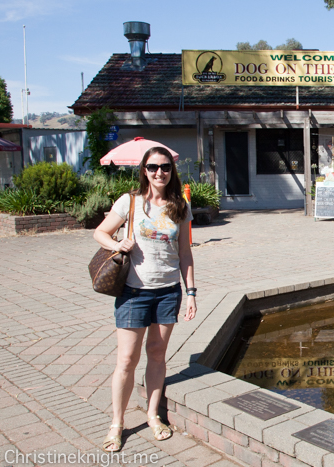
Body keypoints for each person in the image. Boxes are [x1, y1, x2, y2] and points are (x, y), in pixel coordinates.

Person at [93, 147, 196, 452]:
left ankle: (152, 415)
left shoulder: (180, 206)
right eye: (152, 167)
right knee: (126, 359)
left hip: (167, 292)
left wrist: (190, 293)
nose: (159, 173)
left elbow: (186, 254)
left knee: (156, 354)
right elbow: (100, 232)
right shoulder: (130, 202)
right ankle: (117, 423)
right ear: (144, 170)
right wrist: (117, 243)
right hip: (133, 292)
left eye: (164, 167)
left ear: (171, 170)